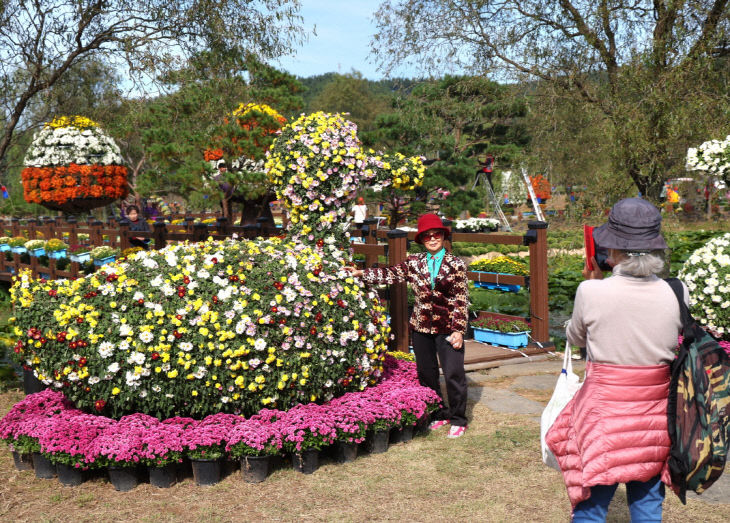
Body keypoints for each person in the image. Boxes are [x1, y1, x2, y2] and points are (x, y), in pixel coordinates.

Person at [546, 198, 686, 522]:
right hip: (655, 416)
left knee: (591, 507)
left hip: (603, 416)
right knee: (649, 504)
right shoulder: (677, 292)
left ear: (614, 249)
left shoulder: (591, 292)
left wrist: (592, 283)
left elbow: (575, 338)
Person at [345, 213, 470, 438]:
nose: (433, 239)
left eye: (437, 235)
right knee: (427, 373)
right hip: (421, 326)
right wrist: (361, 273)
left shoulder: (456, 264)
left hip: (448, 328)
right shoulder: (414, 263)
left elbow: (461, 299)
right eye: (427, 236)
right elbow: (390, 274)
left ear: (443, 236)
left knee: (453, 373)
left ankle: (458, 418)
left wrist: (458, 331)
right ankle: (439, 413)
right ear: (422, 239)